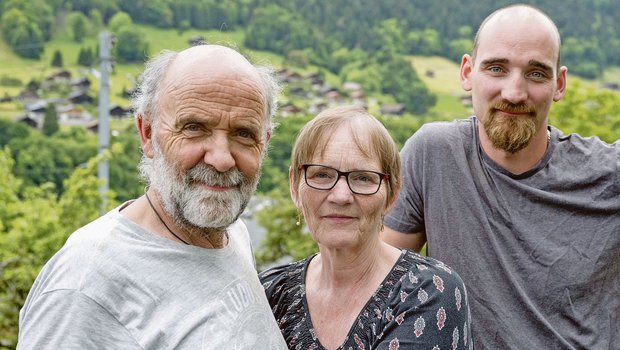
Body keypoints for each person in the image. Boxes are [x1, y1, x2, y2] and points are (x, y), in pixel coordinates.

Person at [18, 45, 288, 349]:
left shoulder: (232, 234)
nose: (221, 159)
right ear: (147, 133)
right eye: (194, 128)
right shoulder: (84, 287)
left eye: (243, 133)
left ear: (264, 144)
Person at [382, 4, 620, 349]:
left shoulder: (608, 175)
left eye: (536, 73)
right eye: (496, 68)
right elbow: (376, 284)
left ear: (559, 83)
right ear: (467, 73)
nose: (514, 92)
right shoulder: (434, 154)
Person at [260, 106, 473, 349]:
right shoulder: (269, 293)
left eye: (363, 178)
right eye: (321, 175)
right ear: (294, 186)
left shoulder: (428, 291)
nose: (340, 196)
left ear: (392, 195)